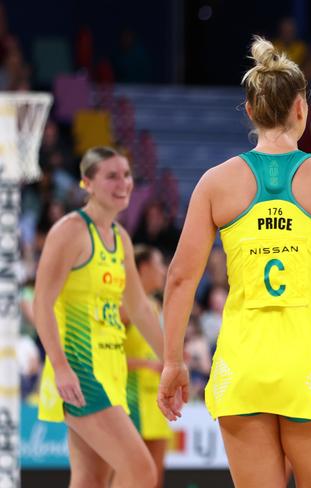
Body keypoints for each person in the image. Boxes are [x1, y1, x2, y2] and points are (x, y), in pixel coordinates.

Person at [157, 36, 311, 488]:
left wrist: (172, 361)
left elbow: (179, 279)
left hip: (242, 366)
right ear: (302, 110)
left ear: (249, 110)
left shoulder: (215, 183)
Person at [34, 146, 164, 488]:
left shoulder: (120, 238)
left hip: (111, 369)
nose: (123, 183)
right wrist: (60, 366)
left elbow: (138, 309)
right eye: (111, 176)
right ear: (87, 183)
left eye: (126, 174)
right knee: (141, 471)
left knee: (90, 480)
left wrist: (172, 361)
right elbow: (41, 303)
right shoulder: (69, 230)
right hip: (80, 369)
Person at [122, 245, 171, 488]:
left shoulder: (154, 305)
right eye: (159, 264)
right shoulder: (124, 306)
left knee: (154, 478)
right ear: (143, 267)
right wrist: (147, 364)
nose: (164, 271)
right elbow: (106, 355)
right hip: (131, 400)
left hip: (155, 401)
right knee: (129, 477)